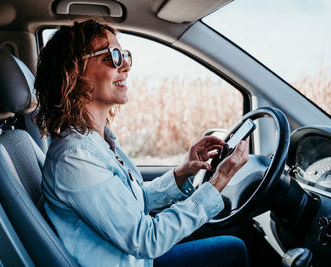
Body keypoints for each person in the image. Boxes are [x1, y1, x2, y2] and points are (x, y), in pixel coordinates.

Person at [34, 19, 250, 267]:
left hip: (139, 260)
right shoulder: (75, 157)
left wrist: (182, 172)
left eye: (124, 54)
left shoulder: (96, 140)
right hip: (139, 258)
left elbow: (135, 203)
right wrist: (218, 181)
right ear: (74, 72)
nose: (125, 65)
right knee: (234, 250)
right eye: (112, 56)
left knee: (233, 242)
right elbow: (146, 239)